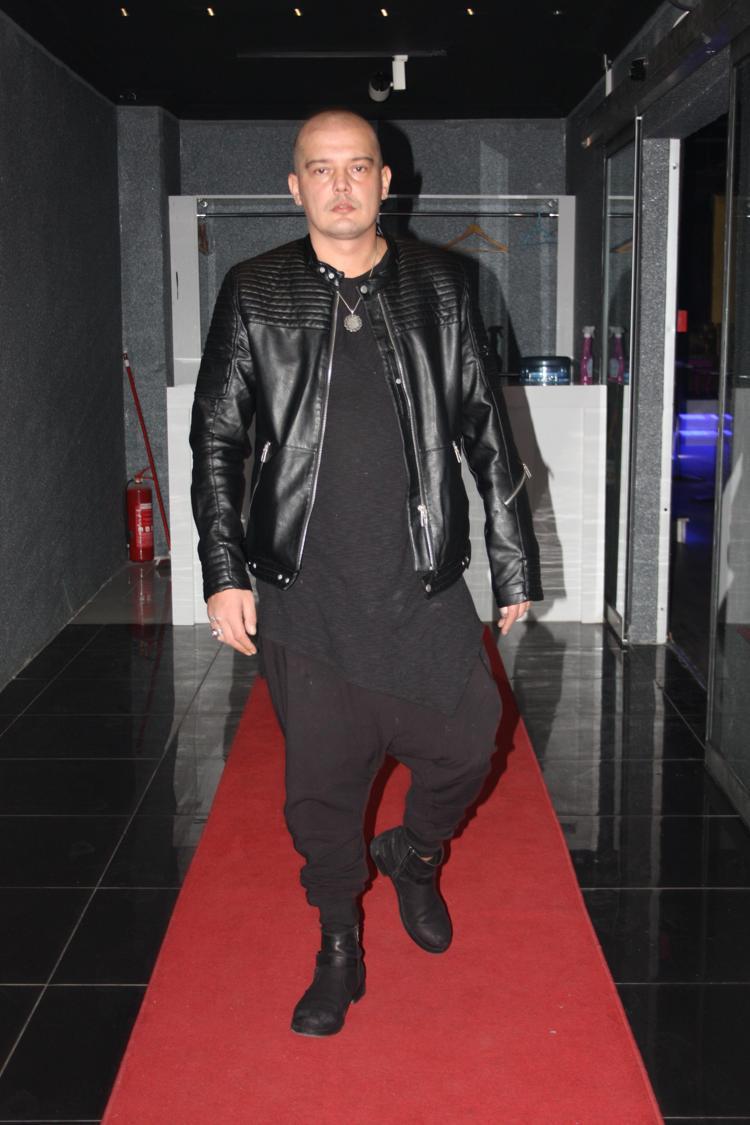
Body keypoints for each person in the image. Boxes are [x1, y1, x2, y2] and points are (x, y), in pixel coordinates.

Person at [189, 108, 543, 1038]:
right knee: (322, 793)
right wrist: (223, 569)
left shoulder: (442, 284)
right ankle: (339, 941)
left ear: (388, 182)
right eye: (321, 168)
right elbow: (219, 439)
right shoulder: (255, 290)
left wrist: (512, 561)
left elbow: (486, 430)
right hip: (306, 591)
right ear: (294, 186)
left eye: (358, 167)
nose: (341, 184)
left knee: (469, 740)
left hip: (422, 578)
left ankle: (415, 855)